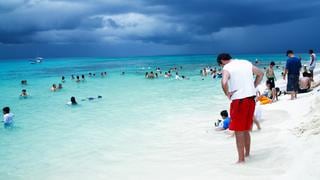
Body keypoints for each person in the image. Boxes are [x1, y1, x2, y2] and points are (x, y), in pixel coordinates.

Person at [217, 53, 263, 163]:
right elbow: (261, 74)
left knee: (239, 131)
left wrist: (227, 93)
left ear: (222, 61)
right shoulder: (245, 62)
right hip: (251, 99)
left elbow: (223, 82)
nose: (221, 67)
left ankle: (241, 160)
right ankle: (247, 154)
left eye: (220, 64)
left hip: (239, 101)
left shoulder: (227, 67)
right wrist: (253, 86)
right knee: (246, 129)